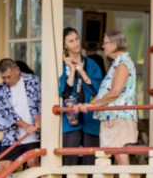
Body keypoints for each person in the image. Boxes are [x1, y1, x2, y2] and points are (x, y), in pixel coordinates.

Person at [85, 31, 137, 166]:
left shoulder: (123, 64)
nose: (103, 46)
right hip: (113, 115)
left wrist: (95, 105)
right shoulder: (116, 64)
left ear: (115, 44)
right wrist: (90, 104)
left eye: (105, 43)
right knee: (116, 155)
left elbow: (115, 92)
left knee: (120, 154)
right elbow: (104, 91)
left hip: (118, 115)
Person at [59, 27, 103, 165]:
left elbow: (100, 90)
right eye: (71, 41)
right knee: (69, 160)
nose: (76, 43)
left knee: (91, 159)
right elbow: (64, 93)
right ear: (65, 45)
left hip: (90, 116)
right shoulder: (61, 66)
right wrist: (72, 69)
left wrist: (83, 72)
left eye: (77, 39)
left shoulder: (92, 64)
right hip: (70, 118)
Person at [0, 58, 42, 178]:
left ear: (17, 70)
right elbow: (7, 113)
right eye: (3, 78)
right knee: (3, 167)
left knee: (33, 162)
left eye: (9, 77)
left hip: (33, 136)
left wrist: (38, 119)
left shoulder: (34, 81)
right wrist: (27, 126)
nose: (7, 80)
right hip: (12, 135)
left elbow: (41, 101)